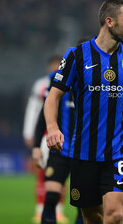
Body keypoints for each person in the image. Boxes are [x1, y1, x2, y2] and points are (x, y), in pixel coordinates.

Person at [44, 0, 123, 224]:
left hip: (118, 152)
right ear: (109, 22)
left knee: (115, 215)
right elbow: (53, 96)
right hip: (83, 153)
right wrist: (52, 127)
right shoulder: (76, 55)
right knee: (92, 217)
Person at [33, 57, 84, 224]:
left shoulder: (97, 84)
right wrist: (36, 146)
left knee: (83, 205)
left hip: (85, 154)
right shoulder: (58, 80)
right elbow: (44, 113)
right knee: (51, 197)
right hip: (60, 150)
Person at [23, 56, 68, 223]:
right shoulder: (41, 84)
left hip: (63, 136)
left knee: (60, 176)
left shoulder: (69, 80)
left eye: (58, 64)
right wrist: (30, 134)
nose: (56, 67)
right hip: (44, 136)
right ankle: (39, 208)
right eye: (53, 65)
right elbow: (35, 110)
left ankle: (58, 210)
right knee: (43, 173)